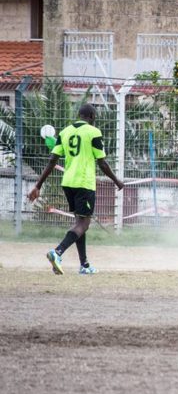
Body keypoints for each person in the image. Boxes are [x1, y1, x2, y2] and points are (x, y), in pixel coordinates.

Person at [27, 103, 124, 275]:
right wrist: (117, 181)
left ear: (79, 116)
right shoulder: (94, 132)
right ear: (92, 117)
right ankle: (57, 252)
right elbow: (102, 162)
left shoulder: (65, 132)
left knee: (80, 222)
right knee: (84, 223)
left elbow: (52, 160)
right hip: (84, 183)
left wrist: (38, 185)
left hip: (68, 182)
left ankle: (84, 265)